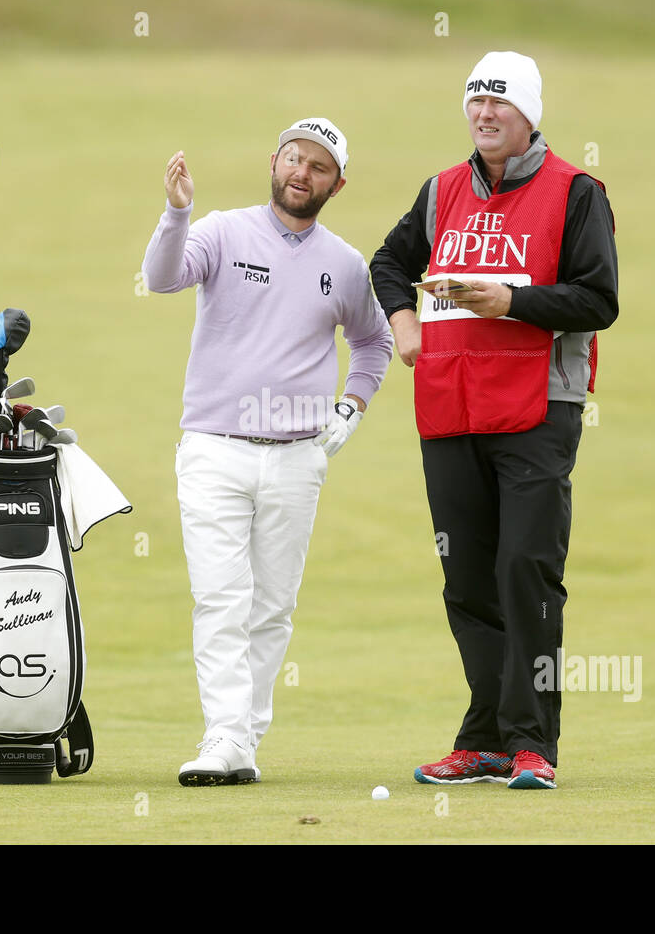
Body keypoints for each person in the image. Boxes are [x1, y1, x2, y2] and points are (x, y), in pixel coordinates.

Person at [370, 51, 618, 790]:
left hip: (539, 407)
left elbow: (598, 300)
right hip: (450, 407)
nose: (484, 115)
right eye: (475, 103)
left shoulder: (575, 192)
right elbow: (387, 262)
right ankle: (483, 739)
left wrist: (508, 301)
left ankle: (533, 743)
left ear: (529, 115)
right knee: (468, 579)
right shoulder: (441, 191)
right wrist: (404, 324)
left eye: (498, 105)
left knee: (526, 570)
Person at [143, 118, 392, 786]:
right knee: (221, 599)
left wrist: (352, 406)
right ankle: (224, 735)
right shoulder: (223, 231)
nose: (300, 174)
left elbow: (374, 342)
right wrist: (176, 212)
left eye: (316, 167)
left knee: (272, 606)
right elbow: (162, 278)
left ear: (336, 183)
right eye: (292, 159)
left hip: (295, 456)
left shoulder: (342, 263)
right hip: (214, 448)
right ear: (274, 161)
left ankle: (243, 738)